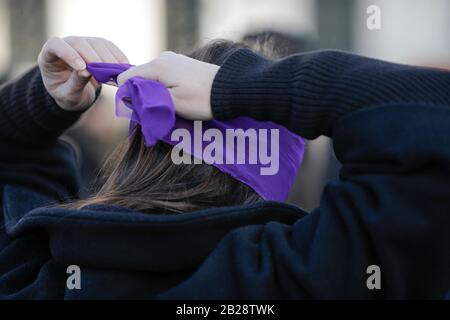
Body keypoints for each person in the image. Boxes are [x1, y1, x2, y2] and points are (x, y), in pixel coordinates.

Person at [0, 35, 449, 299]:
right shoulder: (308, 273)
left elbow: (12, 153)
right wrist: (242, 87)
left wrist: (47, 99)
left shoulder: (33, 266)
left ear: (140, 144)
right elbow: (433, 112)